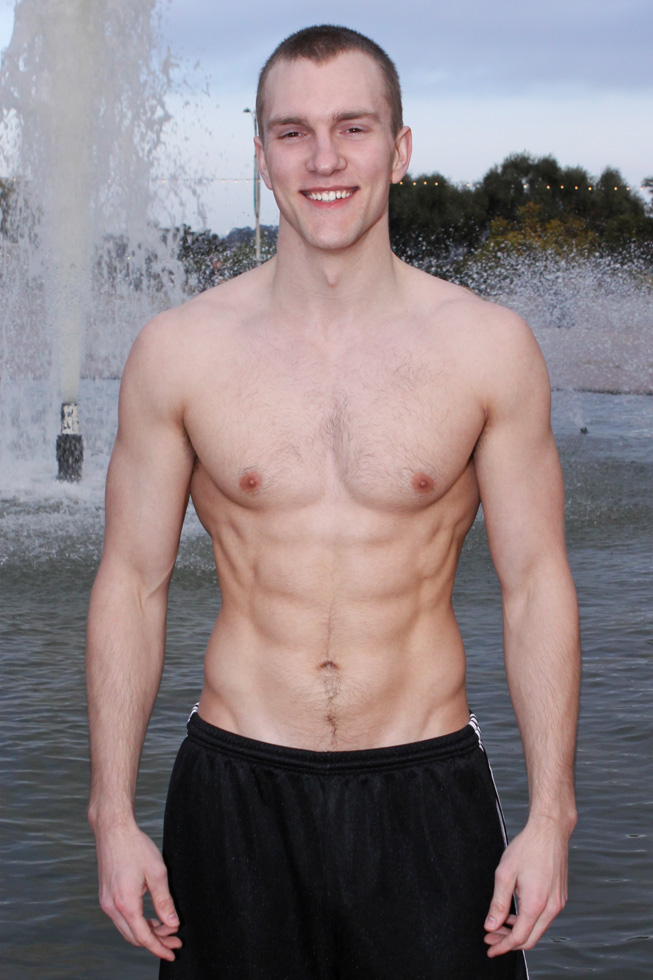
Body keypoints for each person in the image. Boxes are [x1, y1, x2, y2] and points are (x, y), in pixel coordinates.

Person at [86, 24, 580, 979]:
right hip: (235, 787)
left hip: (423, 782)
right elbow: (131, 584)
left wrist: (549, 817)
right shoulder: (179, 351)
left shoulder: (486, 348)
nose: (323, 160)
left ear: (398, 149)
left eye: (353, 128)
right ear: (261, 154)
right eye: (292, 132)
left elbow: (535, 585)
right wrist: (112, 816)